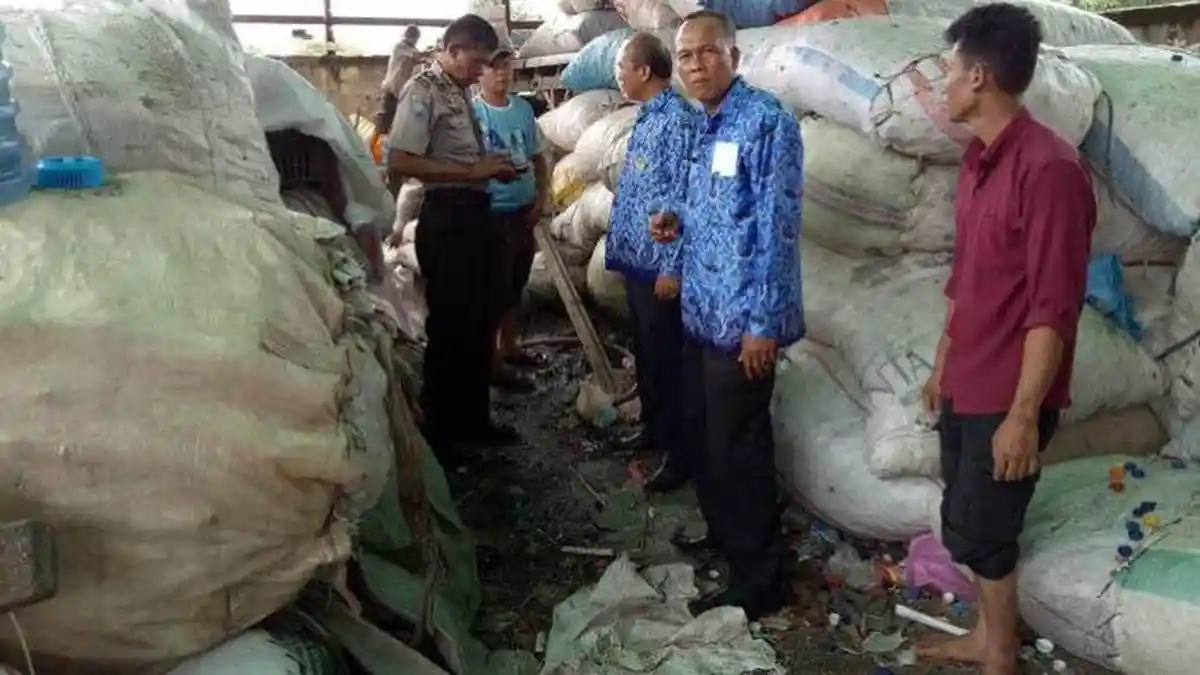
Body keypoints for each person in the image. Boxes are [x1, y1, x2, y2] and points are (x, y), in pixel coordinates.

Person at [918, 5, 1095, 674]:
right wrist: (942, 362)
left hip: (1010, 388)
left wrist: (1024, 413)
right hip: (970, 373)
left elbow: (1054, 306)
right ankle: (989, 637)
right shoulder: (979, 160)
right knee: (965, 520)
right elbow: (967, 279)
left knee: (988, 531)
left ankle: (1001, 654)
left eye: (949, 71)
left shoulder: (1049, 169)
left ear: (980, 77)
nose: (943, 84)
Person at [654, 10, 805, 620]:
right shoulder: (706, 125)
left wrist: (763, 325)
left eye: (706, 53)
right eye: (685, 56)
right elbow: (719, 213)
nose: (695, 65)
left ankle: (761, 578)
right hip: (701, 313)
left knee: (738, 448)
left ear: (734, 57)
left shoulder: (767, 122)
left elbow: (776, 229)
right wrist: (676, 224)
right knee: (707, 437)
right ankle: (725, 537)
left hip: (743, 322)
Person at [388, 15, 523, 465]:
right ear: (452, 47)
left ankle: (474, 420)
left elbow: (459, 154)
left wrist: (490, 164)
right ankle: (442, 436)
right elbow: (403, 159)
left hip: (473, 215)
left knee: (478, 321)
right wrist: (471, 172)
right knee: (449, 327)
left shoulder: (459, 92)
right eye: (477, 61)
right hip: (446, 220)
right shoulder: (423, 90)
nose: (481, 70)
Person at [604, 32, 697, 494]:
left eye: (622, 68)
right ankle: (655, 431)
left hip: (659, 264)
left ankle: (681, 454)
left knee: (668, 360)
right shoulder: (648, 117)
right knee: (647, 352)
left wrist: (672, 266)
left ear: (643, 71)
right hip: (637, 260)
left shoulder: (677, 120)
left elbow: (683, 197)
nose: (618, 77)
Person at [473, 48, 549, 393]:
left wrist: (541, 199)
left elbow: (539, 159)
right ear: (480, 73)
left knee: (516, 282)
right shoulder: (473, 112)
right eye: (494, 68)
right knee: (493, 288)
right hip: (492, 214)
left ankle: (511, 347)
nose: (502, 75)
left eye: (506, 68)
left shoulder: (521, 109)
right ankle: (491, 363)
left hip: (523, 211)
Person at [378, 26, 423, 137]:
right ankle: (379, 146)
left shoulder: (412, 49)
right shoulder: (400, 47)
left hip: (402, 91)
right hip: (392, 89)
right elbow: (415, 56)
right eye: (413, 38)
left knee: (399, 123)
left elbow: (417, 58)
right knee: (387, 120)